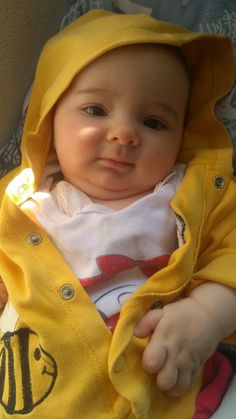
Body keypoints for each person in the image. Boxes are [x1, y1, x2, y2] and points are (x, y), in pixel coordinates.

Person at [0, 9, 236, 419]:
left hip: (172, 393)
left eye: (153, 121)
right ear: (49, 116)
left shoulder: (197, 194)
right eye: (95, 110)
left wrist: (208, 314)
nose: (124, 133)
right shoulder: (20, 202)